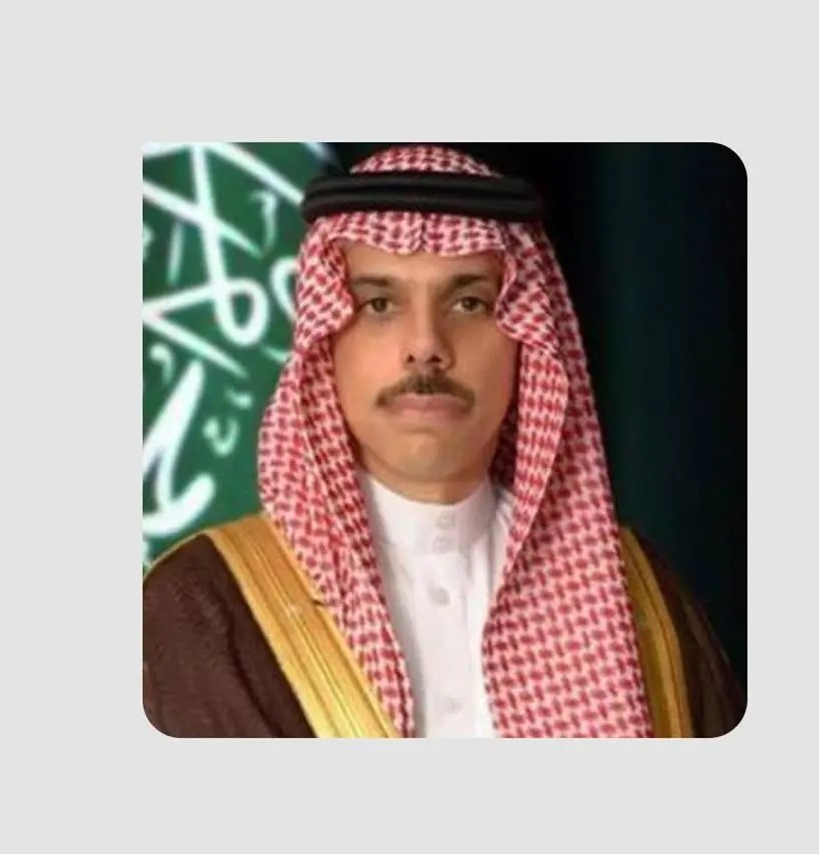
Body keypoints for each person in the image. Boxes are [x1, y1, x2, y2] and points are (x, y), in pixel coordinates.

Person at [143, 144, 743, 738]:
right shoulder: (200, 610)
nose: (426, 344)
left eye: (469, 302)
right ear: (326, 344)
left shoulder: (642, 602)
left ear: (525, 343)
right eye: (380, 304)